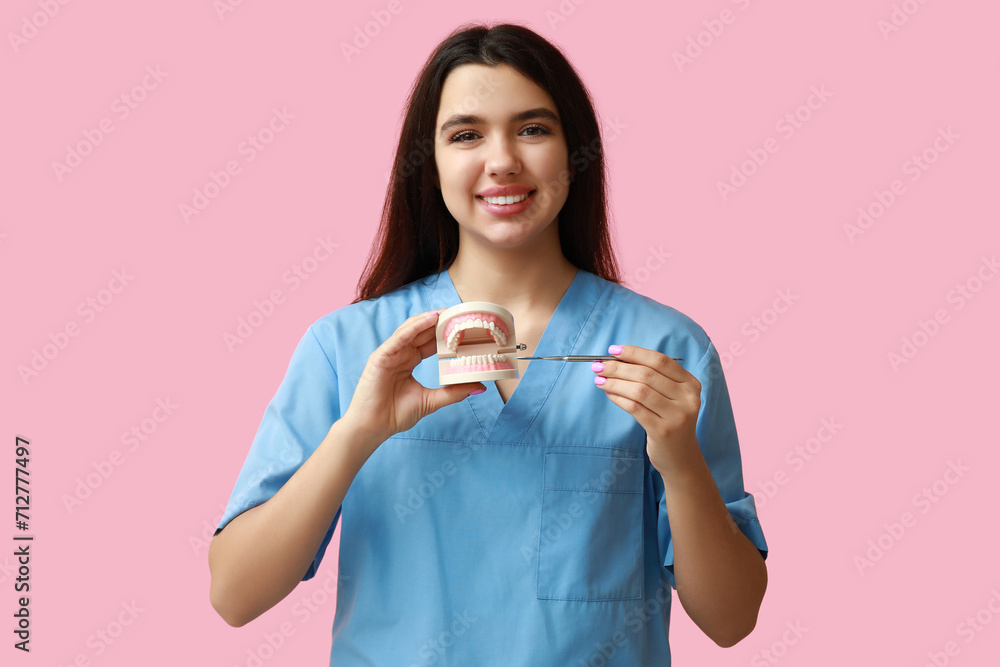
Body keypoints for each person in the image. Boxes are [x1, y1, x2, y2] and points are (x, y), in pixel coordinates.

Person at [209, 22, 768, 665]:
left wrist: (681, 462)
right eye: (466, 134)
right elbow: (234, 595)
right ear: (431, 161)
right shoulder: (345, 346)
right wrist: (356, 433)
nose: (502, 159)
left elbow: (731, 620)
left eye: (533, 129)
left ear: (574, 151)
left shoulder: (665, 349)